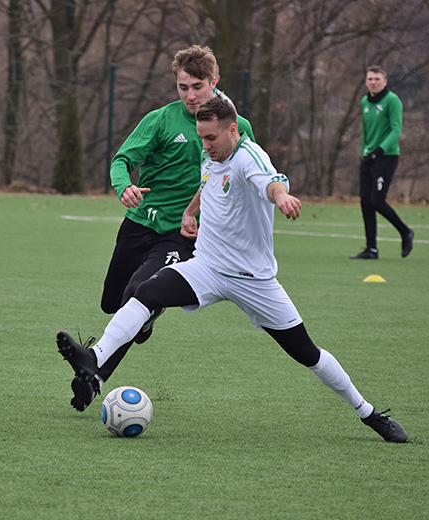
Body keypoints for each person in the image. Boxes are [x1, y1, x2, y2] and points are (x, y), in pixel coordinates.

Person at [57, 96, 408, 443]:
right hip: (207, 268)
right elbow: (208, 181)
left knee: (307, 353)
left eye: (211, 138)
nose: (205, 145)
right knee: (145, 292)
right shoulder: (211, 156)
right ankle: (95, 359)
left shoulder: (248, 157)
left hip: (253, 281)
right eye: (201, 138)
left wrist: (281, 196)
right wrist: (191, 211)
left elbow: (268, 180)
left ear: (233, 129)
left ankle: (369, 413)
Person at [78, 45, 255, 411]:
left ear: (214, 82)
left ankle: (94, 377)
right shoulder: (160, 119)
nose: (190, 95)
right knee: (112, 301)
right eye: (183, 87)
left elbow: (249, 174)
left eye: (198, 86)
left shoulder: (235, 126)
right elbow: (122, 159)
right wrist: (123, 185)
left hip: (184, 232)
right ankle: (145, 320)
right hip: (140, 224)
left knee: (134, 294)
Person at [350, 65, 414, 260]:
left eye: (377, 79)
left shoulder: (392, 100)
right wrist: (365, 153)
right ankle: (371, 250)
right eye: (370, 79)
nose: (373, 82)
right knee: (365, 203)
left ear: (384, 82)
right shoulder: (364, 102)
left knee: (377, 200)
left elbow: (396, 130)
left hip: (386, 157)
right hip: (368, 158)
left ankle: (405, 232)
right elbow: (368, 132)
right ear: (366, 82)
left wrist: (379, 151)